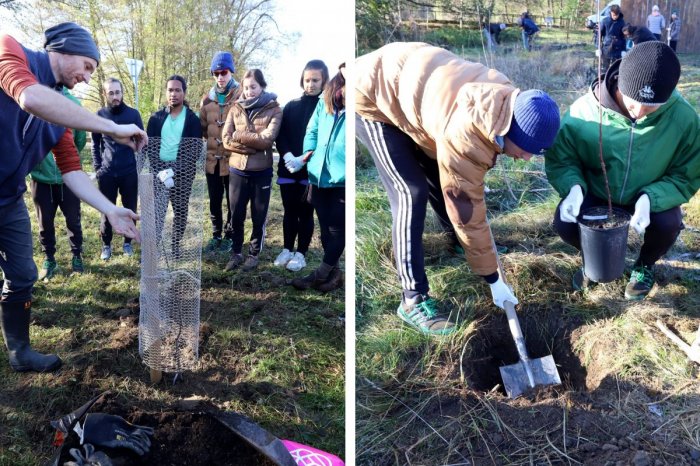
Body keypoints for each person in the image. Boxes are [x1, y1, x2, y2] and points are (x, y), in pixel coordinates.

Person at [355, 42, 560, 335]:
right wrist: (493, 277)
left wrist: (480, 251)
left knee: (441, 172)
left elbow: (455, 178)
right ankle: (413, 299)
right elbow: (465, 203)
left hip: (417, 89)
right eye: (525, 150)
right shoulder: (467, 135)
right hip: (373, 95)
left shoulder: (507, 100)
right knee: (410, 193)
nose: (526, 158)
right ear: (507, 131)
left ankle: (456, 242)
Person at [0, 22, 146, 372]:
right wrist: (111, 128)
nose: (86, 77)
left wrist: (110, 210)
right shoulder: (9, 50)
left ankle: (20, 352)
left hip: (8, 200)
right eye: (87, 66)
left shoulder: (62, 112)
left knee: (22, 274)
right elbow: (30, 97)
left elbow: (72, 170)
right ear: (64, 49)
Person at [545, 41, 700, 301]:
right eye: (633, 101)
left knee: (668, 224)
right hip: (595, 192)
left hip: (648, 195)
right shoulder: (584, 112)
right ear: (619, 84)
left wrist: (650, 198)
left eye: (651, 107)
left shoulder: (684, 119)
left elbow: (686, 175)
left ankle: (644, 265)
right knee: (565, 223)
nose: (639, 112)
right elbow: (563, 159)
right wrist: (573, 188)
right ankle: (590, 259)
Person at [289, 63, 346, 292]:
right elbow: (312, 130)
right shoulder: (327, 98)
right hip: (318, 174)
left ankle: (319, 274)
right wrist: (307, 155)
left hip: (342, 178)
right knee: (325, 228)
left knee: (338, 229)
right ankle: (334, 274)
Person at [222, 69, 282, 272]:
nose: (249, 91)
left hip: (261, 172)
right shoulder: (234, 108)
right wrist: (249, 146)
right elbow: (225, 139)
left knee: (259, 216)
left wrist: (239, 134)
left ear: (262, 86)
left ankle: (253, 254)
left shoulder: (274, 109)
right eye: (246, 87)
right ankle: (236, 252)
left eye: (253, 87)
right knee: (236, 215)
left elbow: (267, 140)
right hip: (238, 170)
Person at [274, 60, 329, 272]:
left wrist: (304, 159)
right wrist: (287, 155)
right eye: (307, 80)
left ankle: (301, 253)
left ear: (324, 81)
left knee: (306, 212)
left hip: (310, 170)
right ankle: (287, 248)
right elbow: (282, 135)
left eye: (315, 80)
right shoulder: (291, 105)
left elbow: (323, 138)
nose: (311, 84)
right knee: (289, 210)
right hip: (288, 168)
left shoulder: (326, 108)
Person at [29, 88, 86, 280]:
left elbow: (79, 139)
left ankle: (77, 255)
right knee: (44, 223)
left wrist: (67, 162)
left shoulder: (74, 104)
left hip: (68, 179)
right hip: (41, 179)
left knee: (73, 220)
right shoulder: (35, 98)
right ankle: (49, 258)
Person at [146, 75, 203, 258]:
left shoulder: (192, 119)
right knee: (158, 211)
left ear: (184, 93)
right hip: (160, 173)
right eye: (170, 90)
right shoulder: (156, 118)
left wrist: (174, 170)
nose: (174, 94)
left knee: (180, 211)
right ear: (166, 92)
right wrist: (160, 170)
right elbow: (150, 147)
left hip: (182, 174)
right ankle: (154, 247)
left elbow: (194, 150)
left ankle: (175, 245)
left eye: (178, 90)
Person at [92, 77, 144, 261]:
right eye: (111, 93)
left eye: (118, 92)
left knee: (130, 209)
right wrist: (98, 167)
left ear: (122, 93)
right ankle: (106, 245)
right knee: (107, 210)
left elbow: (141, 142)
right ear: (105, 94)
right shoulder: (100, 115)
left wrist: (140, 166)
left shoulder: (133, 115)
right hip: (107, 173)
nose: (115, 96)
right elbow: (95, 143)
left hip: (129, 172)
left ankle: (127, 243)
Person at [199, 51, 241, 254]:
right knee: (215, 200)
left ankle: (230, 235)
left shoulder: (242, 96)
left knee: (233, 201)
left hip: (233, 160)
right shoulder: (207, 100)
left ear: (231, 71)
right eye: (216, 73)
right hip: (212, 161)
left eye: (224, 72)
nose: (220, 77)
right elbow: (202, 129)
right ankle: (216, 235)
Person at [599, 4, 626, 70]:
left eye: (617, 15)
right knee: (605, 68)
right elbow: (599, 35)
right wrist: (598, 47)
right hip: (606, 48)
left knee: (616, 68)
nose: (615, 17)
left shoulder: (622, 22)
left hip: (618, 48)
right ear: (611, 12)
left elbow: (623, 37)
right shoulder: (605, 21)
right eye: (614, 15)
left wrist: (623, 50)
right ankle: (604, 79)